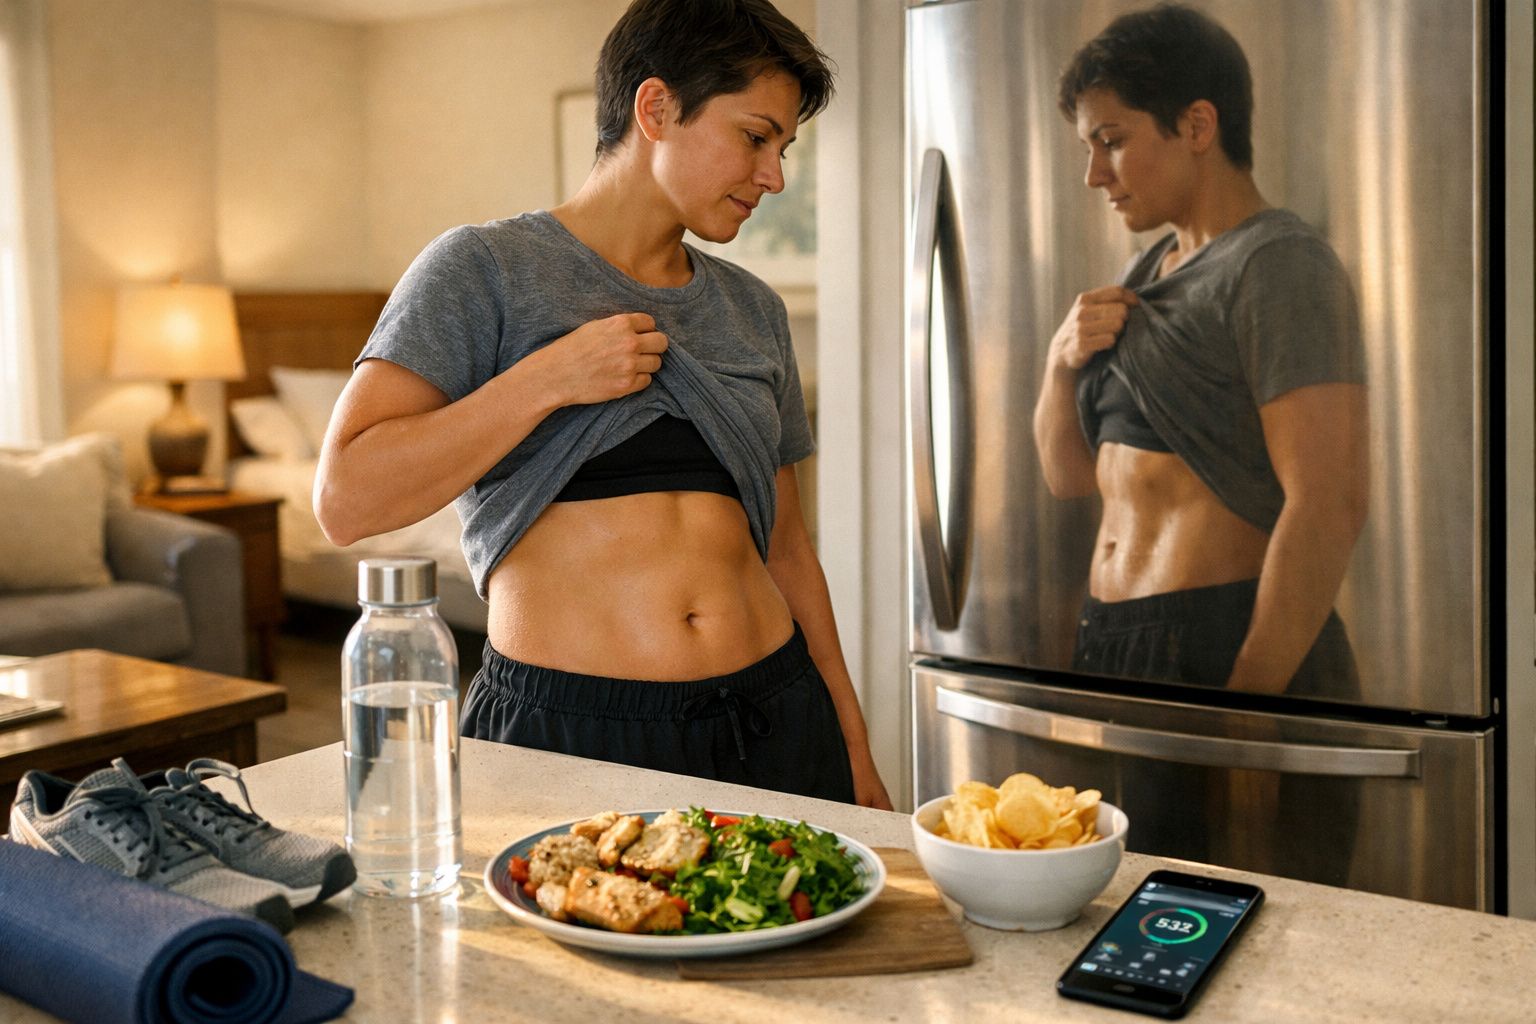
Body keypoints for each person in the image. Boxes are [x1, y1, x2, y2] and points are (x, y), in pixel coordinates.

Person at [313, 0, 891, 809]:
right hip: (575, 733)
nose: (776, 176)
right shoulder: (484, 270)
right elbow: (345, 500)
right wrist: (547, 380)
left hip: (775, 716)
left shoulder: (753, 311)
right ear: (655, 108)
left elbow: (789, 549)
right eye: (755, 137)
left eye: (784, 148)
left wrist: (856, 752)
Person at [1033, 3, 1369, 699]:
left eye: (1112, 140)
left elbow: (1329, 502)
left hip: (1222, 647)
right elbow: (1069, 478)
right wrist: (1059, 366)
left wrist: (1248, 703)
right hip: (1114, 642)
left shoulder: (1278, 264)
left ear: (1196, 126)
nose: (1094, 174)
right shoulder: (1144, 272)